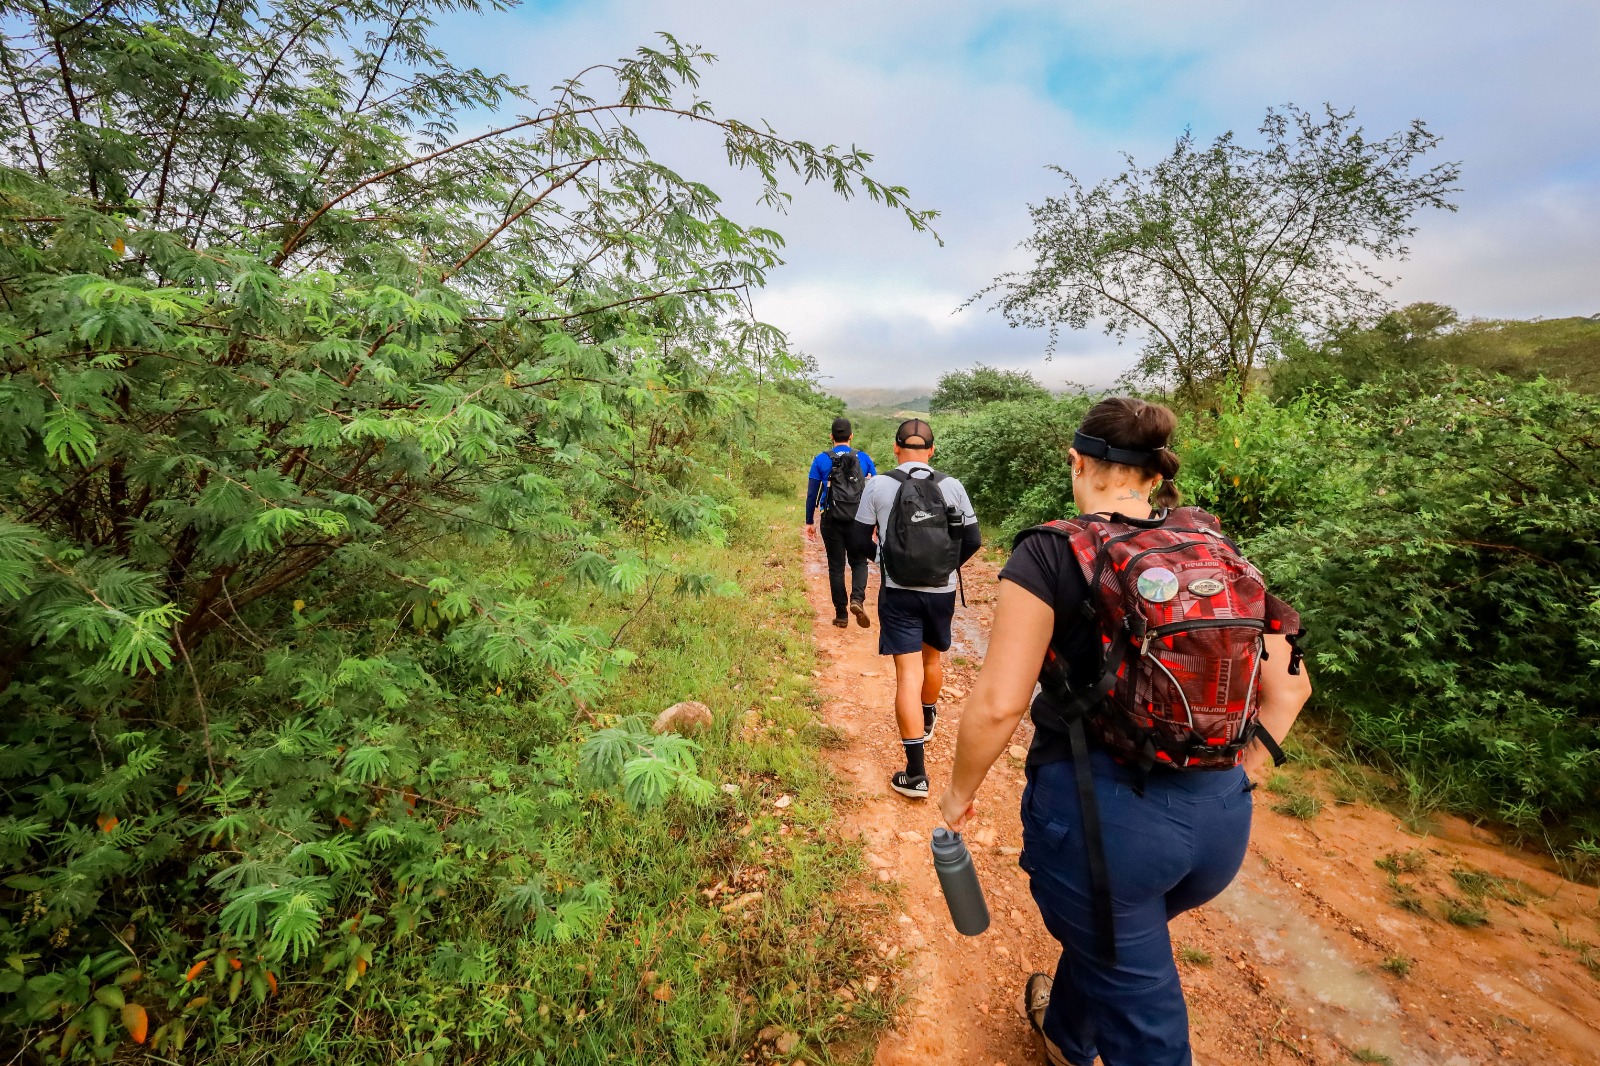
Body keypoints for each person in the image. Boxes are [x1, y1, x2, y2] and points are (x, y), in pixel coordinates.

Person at [937, 397, 1312, 1066]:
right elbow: (1291, 686)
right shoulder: (1213, 544)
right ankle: (1064, 1035)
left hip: (1108, 833)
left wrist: (959, 793)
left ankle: (1081, 1038)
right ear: (1154, 475)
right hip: (1222, 822)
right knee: (1117, 944)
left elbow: (997, 704)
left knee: (1152, 1040)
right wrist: (1250, 770)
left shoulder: (1051, 551)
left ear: (1078, 462)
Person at [851, 418, 981, 799]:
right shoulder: (952, 486)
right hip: (941, 591)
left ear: (895, 448)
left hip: (898, 591)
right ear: (932, 450)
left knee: (906, 674)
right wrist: (946, 567)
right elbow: (972, 538)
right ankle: (927, 715)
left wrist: (883, 558)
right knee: (931, 661)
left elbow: (859, 538)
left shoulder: (878, 484)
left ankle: (916, 774)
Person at [806, 416, 879, 628]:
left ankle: (841, 615)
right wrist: (875, 522)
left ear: (831, 436)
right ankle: (857, 599)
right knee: (859, 562)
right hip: (859, 519)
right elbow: (874, 491)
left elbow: (812, 493)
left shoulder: (821, 459)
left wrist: (809, 520)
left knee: (836, 566)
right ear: (851, 436)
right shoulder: (863, 458)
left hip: (831, 518)